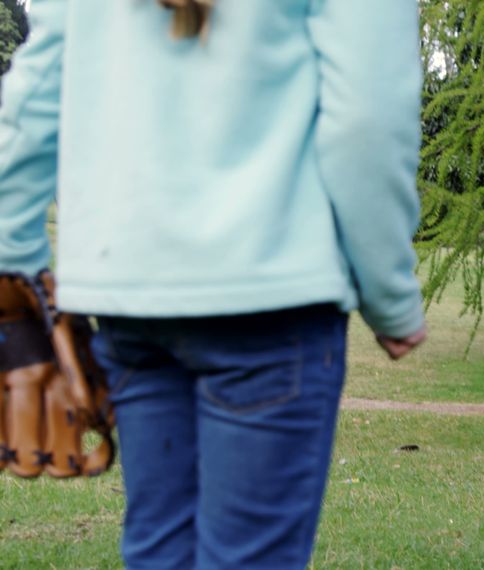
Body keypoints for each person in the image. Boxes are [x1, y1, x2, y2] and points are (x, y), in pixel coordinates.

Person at [0, 1, 427, 568]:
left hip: (132, 305)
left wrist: (18, 263)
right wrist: (389, 295)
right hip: (270, 303)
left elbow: (32, 102)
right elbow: (367, 119)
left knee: (159, 552)